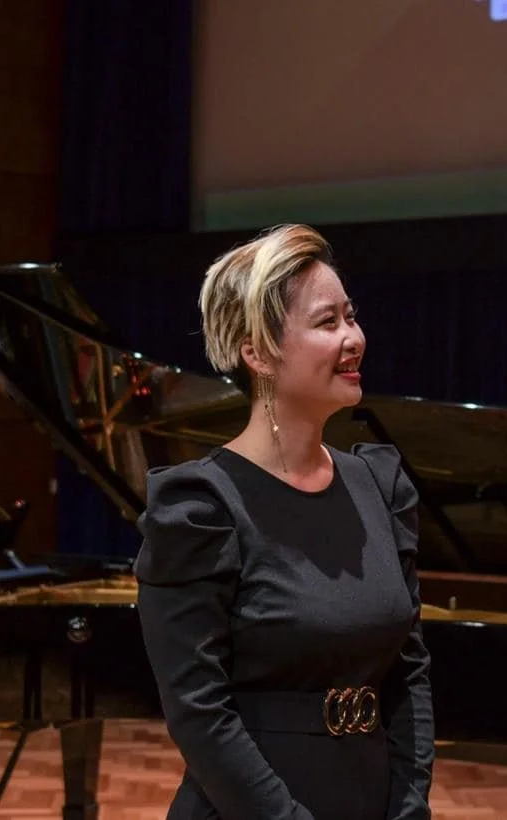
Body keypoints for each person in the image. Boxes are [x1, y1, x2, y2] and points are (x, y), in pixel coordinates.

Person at [134, 224, 434, 819]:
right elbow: (199, 712)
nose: (354, 338)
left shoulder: (380, 484)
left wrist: (408, 807)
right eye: (328, 323)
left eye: (352, 316)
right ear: (258, 352)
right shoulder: (199, 507)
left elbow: (409, 672)